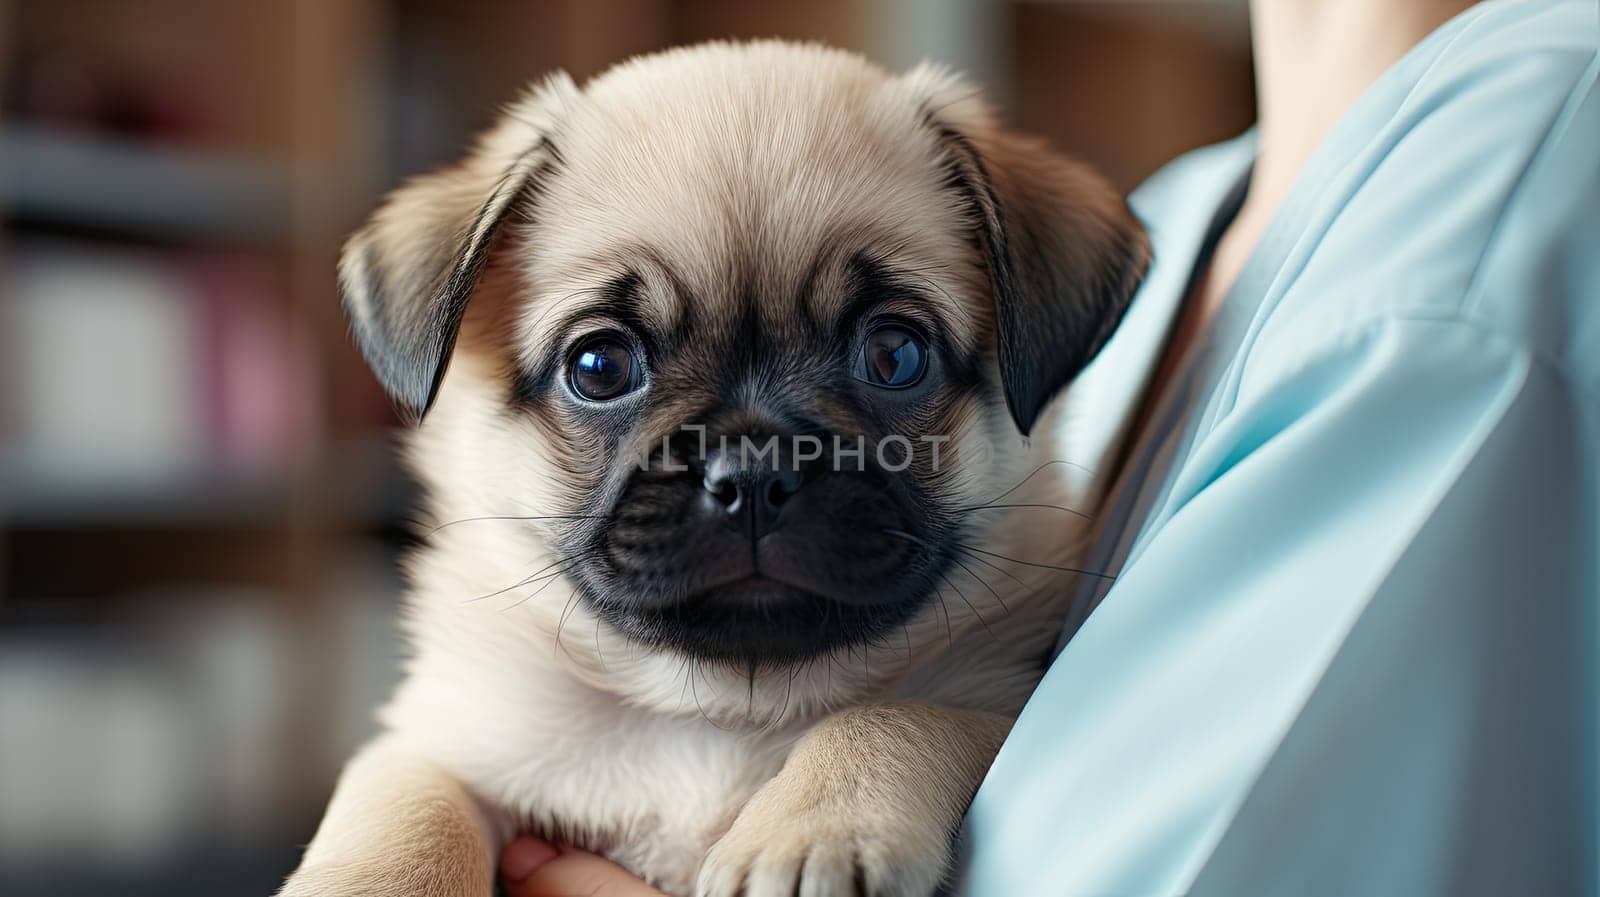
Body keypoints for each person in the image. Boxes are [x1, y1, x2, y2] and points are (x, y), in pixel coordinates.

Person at [498, 0, 1599, 893]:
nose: (750, 470)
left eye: (891, 360)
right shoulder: (1189, 209)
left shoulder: (1517, 175)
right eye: (605, 370)